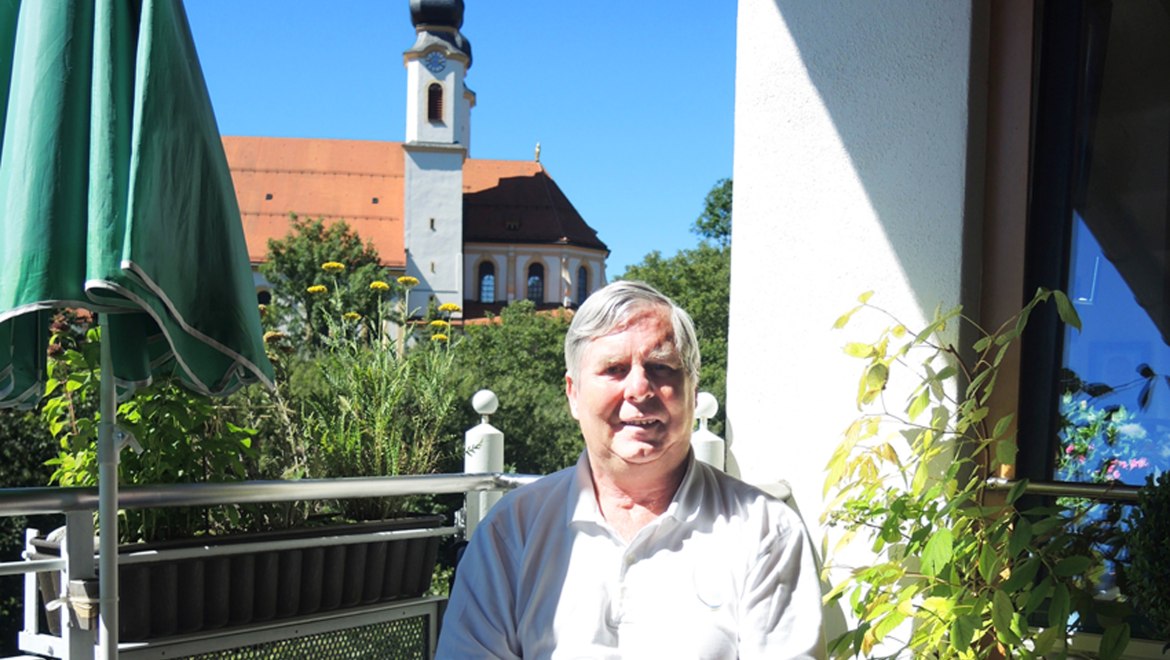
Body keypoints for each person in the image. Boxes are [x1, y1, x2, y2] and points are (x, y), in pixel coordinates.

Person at [436, 280, 825, 659]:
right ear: (573, 394)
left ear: (693, 389)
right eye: (614, 369)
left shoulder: (765, 531)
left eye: (661, 367)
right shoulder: (511, 532)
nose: (640, 390)